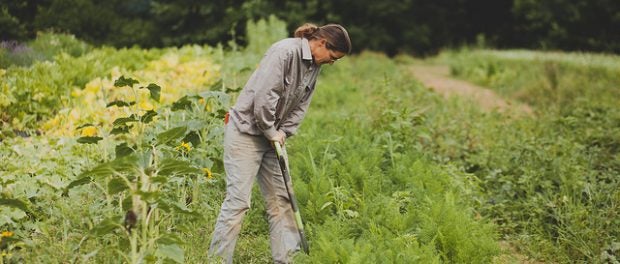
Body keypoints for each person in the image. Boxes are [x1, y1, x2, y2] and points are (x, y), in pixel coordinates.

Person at [208, 23, 352, 263]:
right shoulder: (285, 52)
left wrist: (283, 131)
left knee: (281, 201)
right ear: (322, 44)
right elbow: (265, 96)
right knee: (238, 203)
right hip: (246, 132)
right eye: (333, 57)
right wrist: (270, 130)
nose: (332, 62)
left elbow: (301, 105)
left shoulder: (315, 65)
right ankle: (217, 260)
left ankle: (285, 259)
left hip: (272, 137)